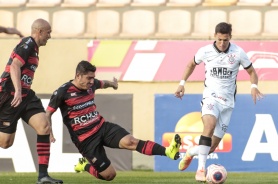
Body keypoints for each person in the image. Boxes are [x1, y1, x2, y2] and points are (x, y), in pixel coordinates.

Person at [45, 60, 181, 181]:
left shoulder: (92, 85)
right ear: (78, 75)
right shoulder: (62, 92)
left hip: (102, 127)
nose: (92, 81)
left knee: (131, 141)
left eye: (93, 78)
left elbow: (103, 83)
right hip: (86, 140)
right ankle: (85, 166)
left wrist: (113, 84)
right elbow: (48, 113)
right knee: (109, 176)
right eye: (89, 78)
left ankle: (168, 151)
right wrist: (49, 131)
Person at [174, 22, 263, 182]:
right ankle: (200, 170)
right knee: (209, 126)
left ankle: (190, 153)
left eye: (226, 40)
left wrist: (254, 86)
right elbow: (190, 64)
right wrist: (182, 84)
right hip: (211, 98)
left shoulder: (238, 52)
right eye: (220, 39)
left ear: (230, 38)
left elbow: (251, 71)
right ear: (215, 36)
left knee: (211, 147)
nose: (222, 43)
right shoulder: (205, 51)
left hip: (227, 104)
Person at [0, 19, 63, 184]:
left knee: (44, 126)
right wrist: (18, 91)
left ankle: (43, 176)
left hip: (26, 96)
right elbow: (15, 66)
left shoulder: (34, 48)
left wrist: (22, 92)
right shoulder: (27, 43)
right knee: (5, 143)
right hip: (10, 95)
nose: (49, 36)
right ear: (40, 32)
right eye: (48, 32)